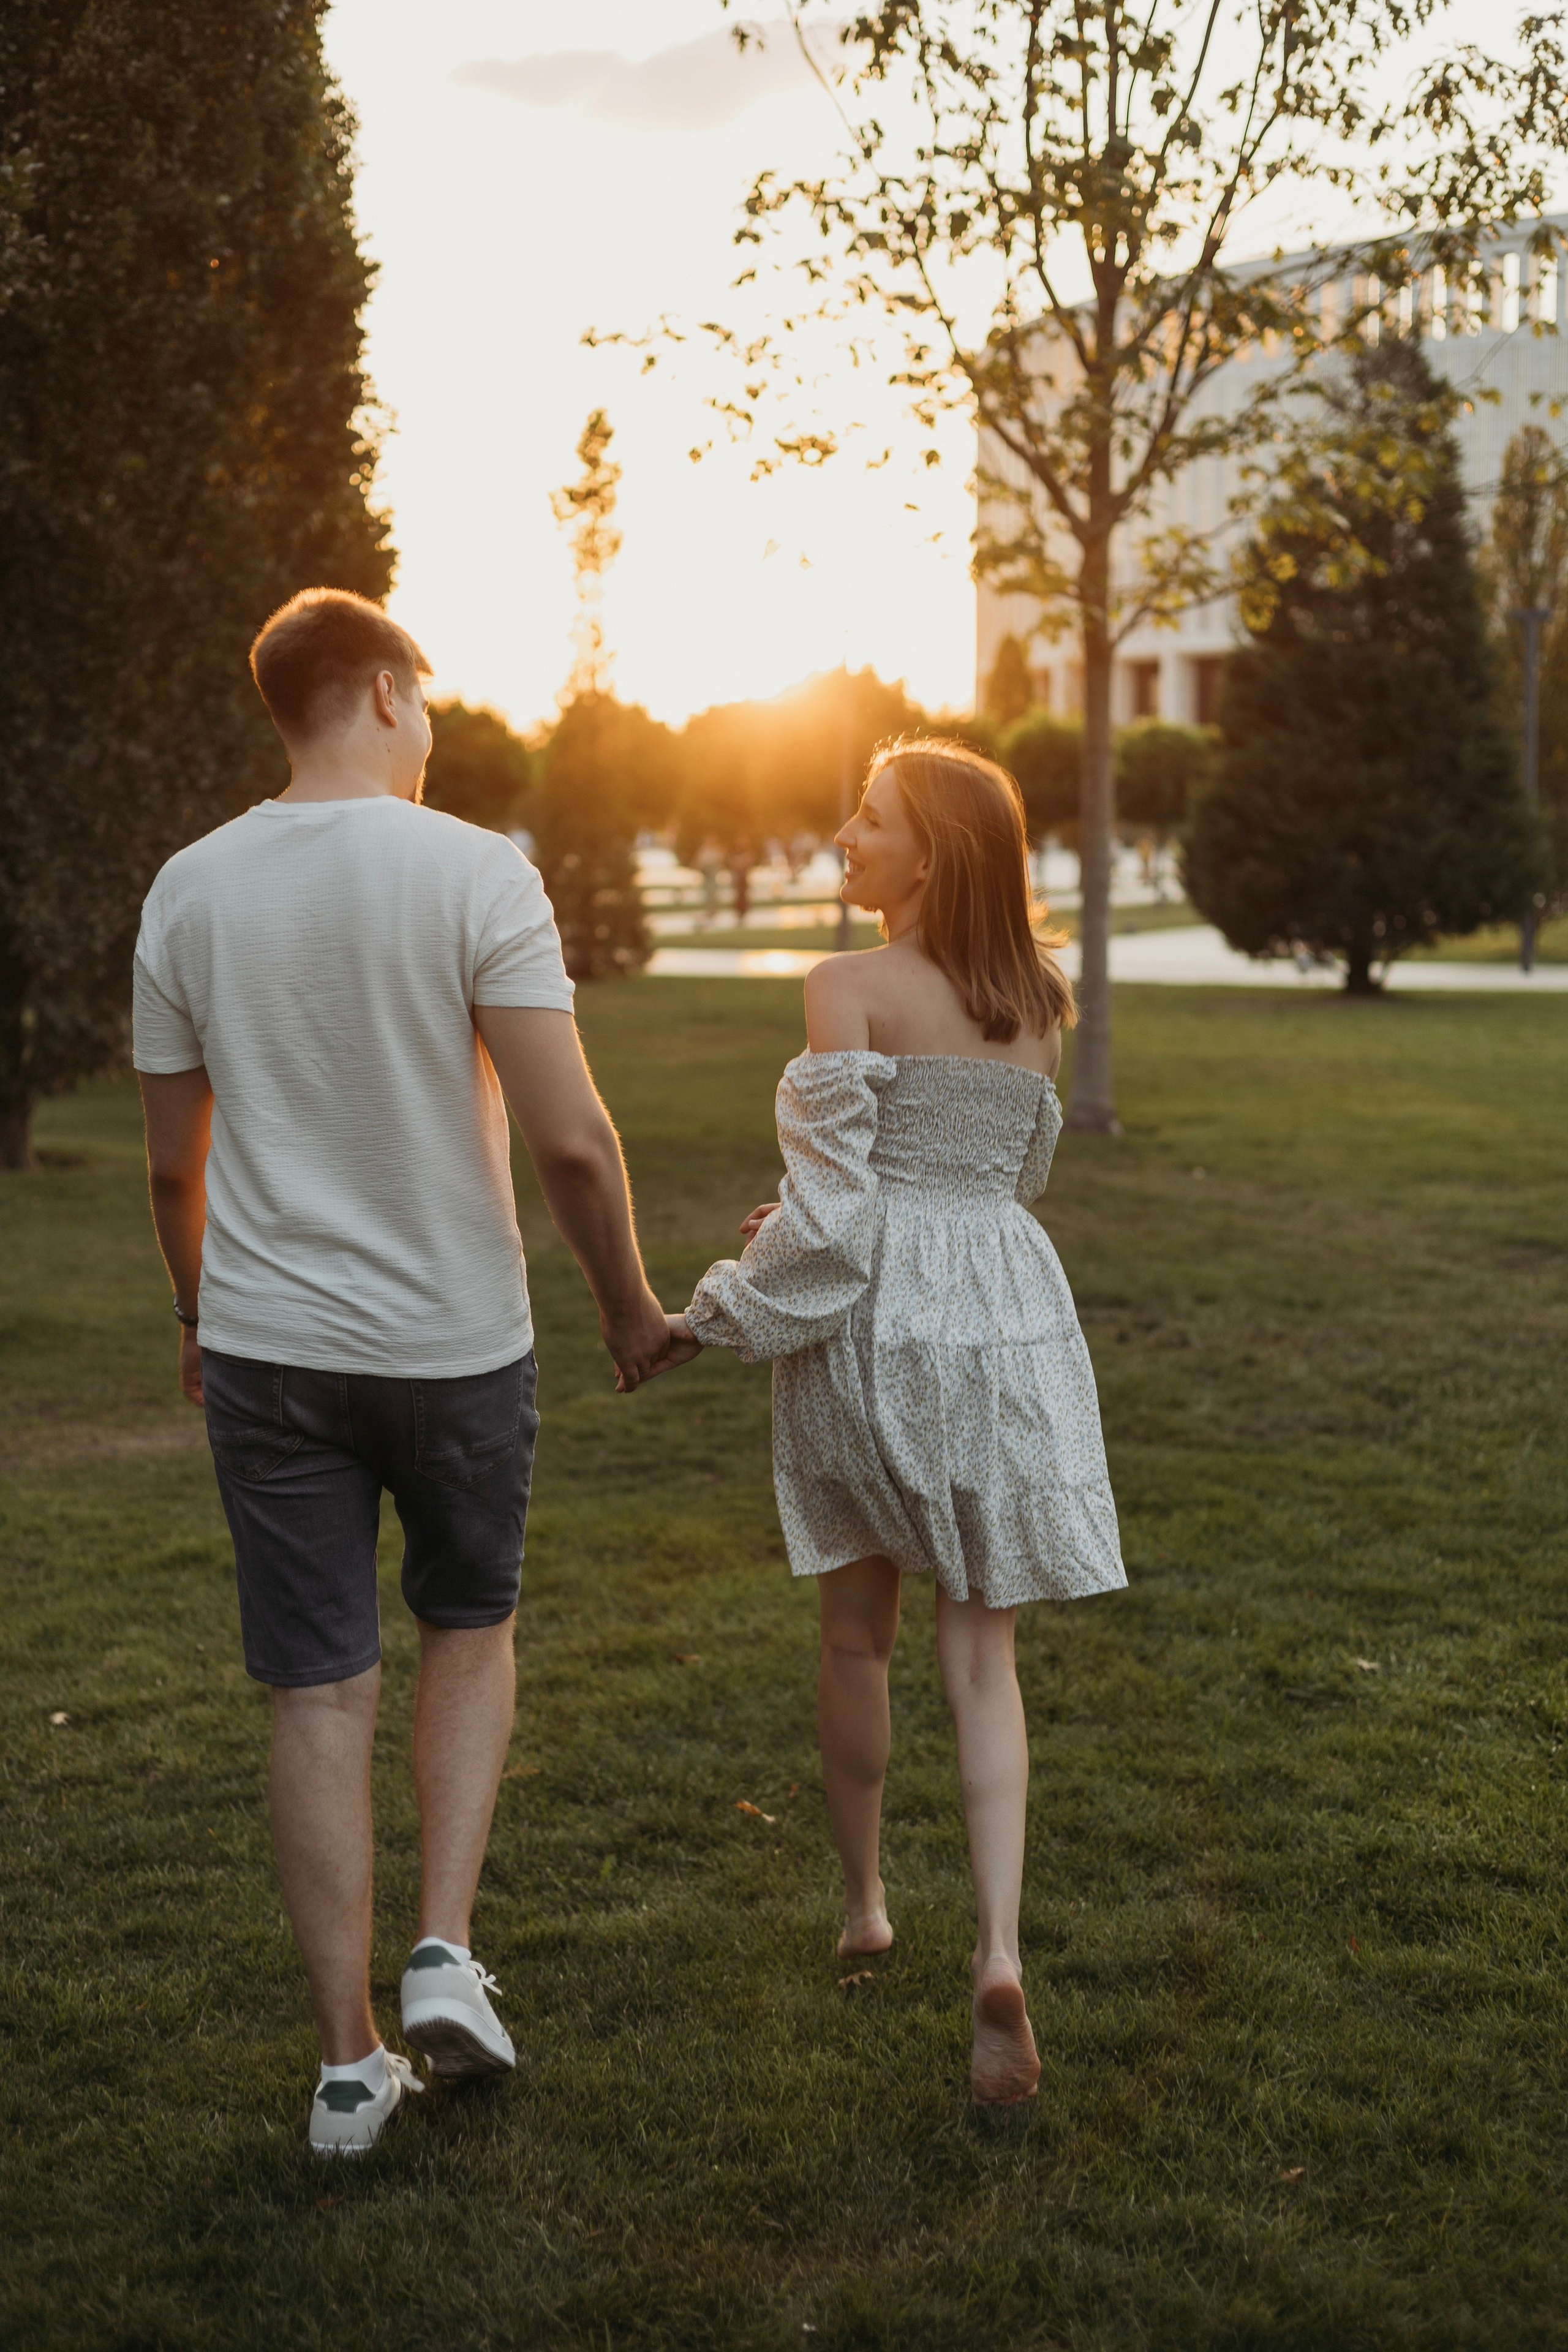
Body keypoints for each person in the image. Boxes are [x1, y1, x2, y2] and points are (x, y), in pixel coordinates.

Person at [133, 588, 672, 2156]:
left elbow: (178, 1171)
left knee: (315, 1685)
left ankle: (348, 2065)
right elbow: (570, 1136)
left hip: (266, 1348)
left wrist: (194, 1311)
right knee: (468, 1628)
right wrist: (628, 1307)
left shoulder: (189, 888)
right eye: (422, 700)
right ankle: (443, 1947)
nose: (430, 729)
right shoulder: (476, 872)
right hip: (454, 1346)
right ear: (379, 689)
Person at [655, 739, 1126, 2106]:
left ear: (930, 856)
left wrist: (711, 1311)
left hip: (876, 1322)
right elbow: (1010, 1172)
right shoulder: (1040, 997)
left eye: (869, 821)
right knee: (982, 1657)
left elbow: (837, 1219)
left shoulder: (844, 985)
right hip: (1006, 1312)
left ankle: (865, 1903)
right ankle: (997, 1947)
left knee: (854, 1633)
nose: (844, 834)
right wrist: (854, 1207)